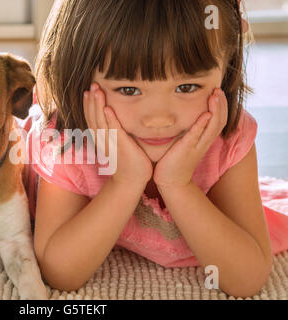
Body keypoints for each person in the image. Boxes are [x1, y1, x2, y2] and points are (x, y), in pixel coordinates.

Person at [23, 0, 288, 298]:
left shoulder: (226, 139)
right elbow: (61, 272)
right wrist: (126, 181)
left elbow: (246, 278)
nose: (159, 119)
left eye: (187, 87)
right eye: (128, 90)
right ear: (77, 77)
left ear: (226, 70)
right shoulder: (70, 142)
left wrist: (178, 184)